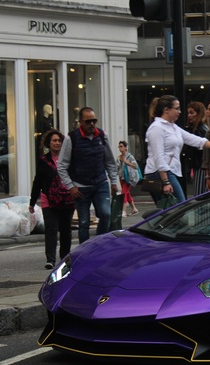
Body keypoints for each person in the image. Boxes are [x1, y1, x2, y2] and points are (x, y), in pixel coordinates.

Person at [144, 95, 210, 204]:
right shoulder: (157, 128)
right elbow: (158, 157)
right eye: (176, 108)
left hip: (169, 171)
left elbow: (193, 139)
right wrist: (166, 181)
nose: (179, 111)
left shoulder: (172, 127)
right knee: (178, 207)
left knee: (169, 209)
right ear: (166, 110)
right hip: (161, 173)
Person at [57, 107, 118, 244]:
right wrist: (71, 186)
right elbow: (61, 165)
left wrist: (113, 181)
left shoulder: (102, 136)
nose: (92, 124)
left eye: (94, 121)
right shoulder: (71, 138)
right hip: (81, 187)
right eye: (88, 121)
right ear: (80, 122)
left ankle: (99, 245)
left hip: (100, 183)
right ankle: (85, 251)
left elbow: (109, 160)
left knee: (106, 214)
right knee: (83, 223)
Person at [29, 129, 75, 269]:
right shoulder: (43, 161)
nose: (57, 143)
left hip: (66, 199)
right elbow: (38, 181)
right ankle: (50, 259)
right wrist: (32, 202)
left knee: (66, 230)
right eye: (54, 140)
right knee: (51, 229)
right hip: (48, 199)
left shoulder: (68, 159)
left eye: (59, 141)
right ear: (49, 143)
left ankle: (65, 258)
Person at [185, 101, 210, 196]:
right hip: (198, 166)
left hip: (200, 166)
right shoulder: (200, 128)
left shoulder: (201, 129)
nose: (189, 116)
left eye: (192, 113)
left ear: (198, 114)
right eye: (188, 113)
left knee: (200, 194)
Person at [116, 140, 139, 217]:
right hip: (121, 177)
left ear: (125, 147)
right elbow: (117, 168)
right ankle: (134, 209)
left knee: (123, 193)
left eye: (121, 146)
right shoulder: (119, 157)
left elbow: (135, 166)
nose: (120, 148)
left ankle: (123, 211)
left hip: (129, 178)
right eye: (119, 146)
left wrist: (126, 162)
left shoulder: (130, 156)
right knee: (127, 193)